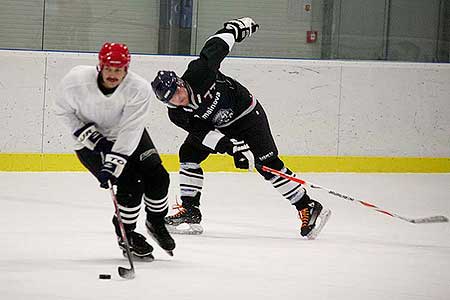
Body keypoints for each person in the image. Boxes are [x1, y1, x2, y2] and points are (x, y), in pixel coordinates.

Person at [150, 17, 331, 239]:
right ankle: (190, 211)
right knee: (189, 153)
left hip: (248, 116)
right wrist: (232, 148)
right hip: (222, 128)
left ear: (180, 82)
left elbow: (215, 47)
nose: (179, 99)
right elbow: (204, 134)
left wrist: (234, 29)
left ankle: (307, 205)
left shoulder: (199, 72)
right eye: (172, 100)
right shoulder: (177, 114)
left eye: (178, 92)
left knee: (267, 165)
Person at [54, 42, 175, 260]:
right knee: (130, 182)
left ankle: (156, 223)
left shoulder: (138, 88)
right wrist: (92, 137)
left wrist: (114, 162)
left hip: (126, 134)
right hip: (87, 142)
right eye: (109, 69)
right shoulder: (75, 82)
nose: (113, 74)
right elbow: (62, 111)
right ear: (100, 66)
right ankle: (126, 234)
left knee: (158, 176)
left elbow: (131, 129)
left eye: (118, 70)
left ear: (126, 69)